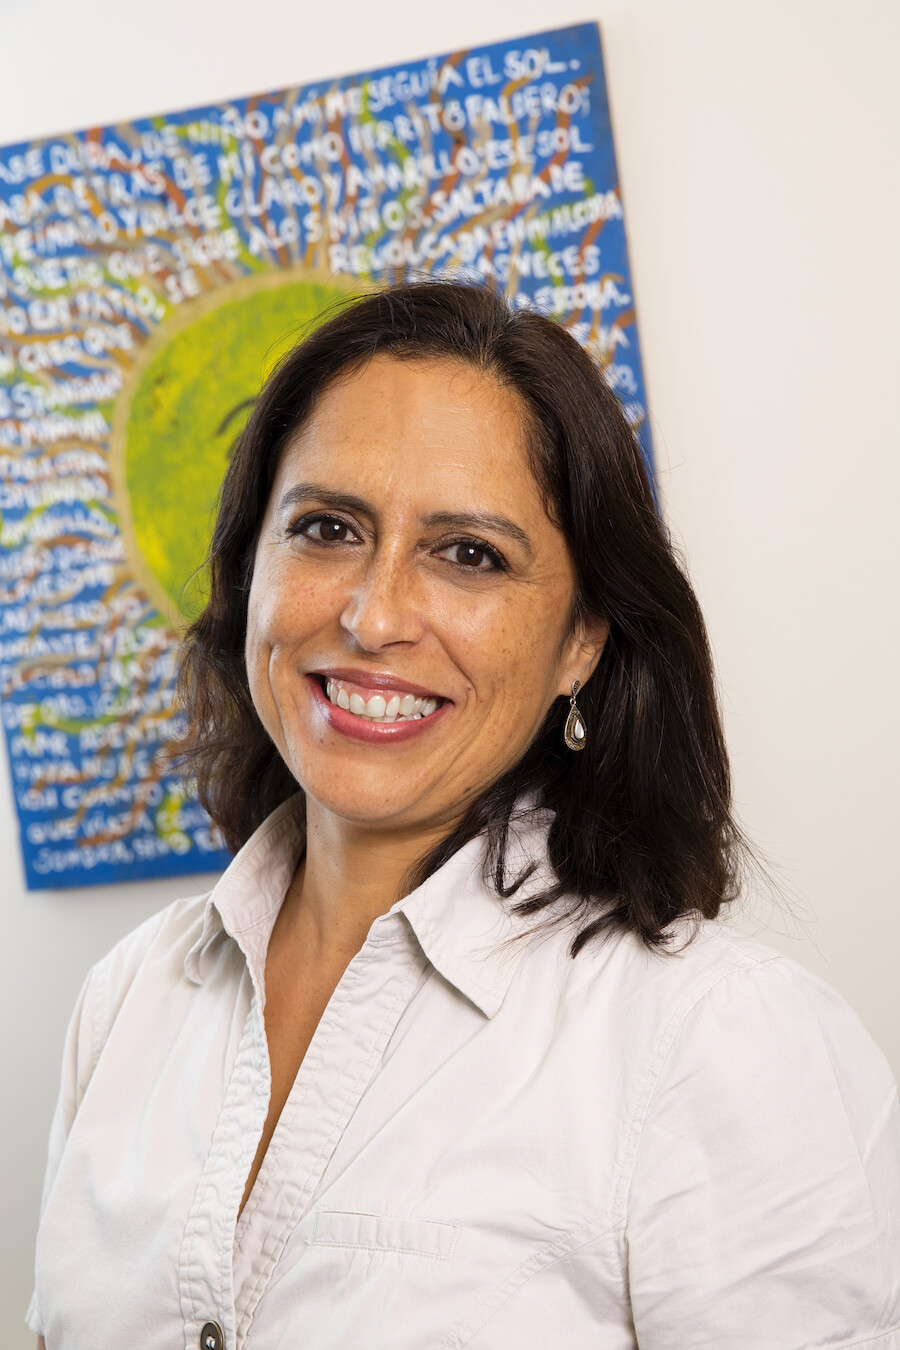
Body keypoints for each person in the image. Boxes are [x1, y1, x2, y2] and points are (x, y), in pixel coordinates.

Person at [29, 280, 900, 1350]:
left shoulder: (720, 1043)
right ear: (250, 565)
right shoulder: (127, 1000)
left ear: (582, 640)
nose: (373, 616)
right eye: (326, 528)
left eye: (469, 554)